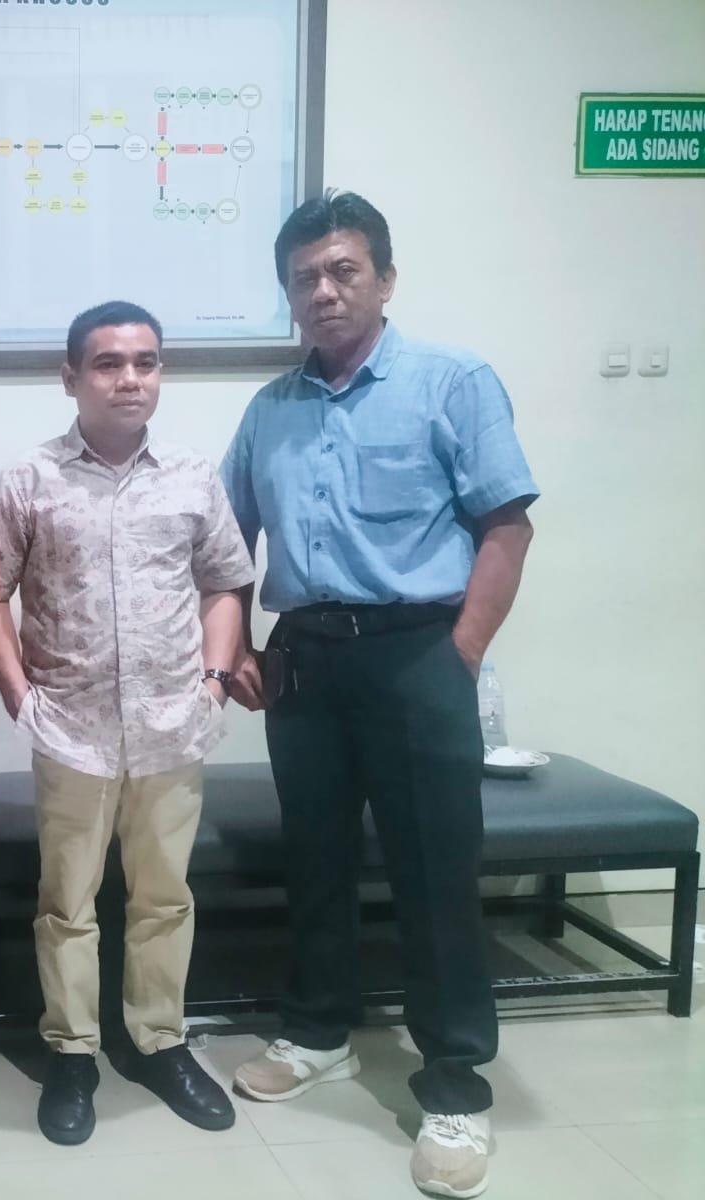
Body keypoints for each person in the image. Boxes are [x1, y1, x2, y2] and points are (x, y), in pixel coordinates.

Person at [219, 190, 537, 1200]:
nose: (322, 291)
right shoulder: (269, 411)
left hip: (416, 653)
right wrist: (232, 648)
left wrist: (460, 654)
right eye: (303, 278)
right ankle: (319, 1033)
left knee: (435, 872)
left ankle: (454, 1085)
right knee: (314, 859)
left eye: (342, 270)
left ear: (385, 279)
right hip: (305, 662)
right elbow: (225, 547)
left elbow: (506, 527)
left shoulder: (451, 381)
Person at [0, 301, 253, 1145]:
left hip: (174, 724)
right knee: (67, 901)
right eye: (108, 363)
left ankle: (159, 1042)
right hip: (71, 728)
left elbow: (224, 581)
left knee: (164, 897)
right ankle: (72, 1053)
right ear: (71, 378)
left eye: (146, 361)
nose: (129, 378)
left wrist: (214, 683)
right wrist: (18, 695)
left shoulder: (192, 474)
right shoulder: (27, 480)